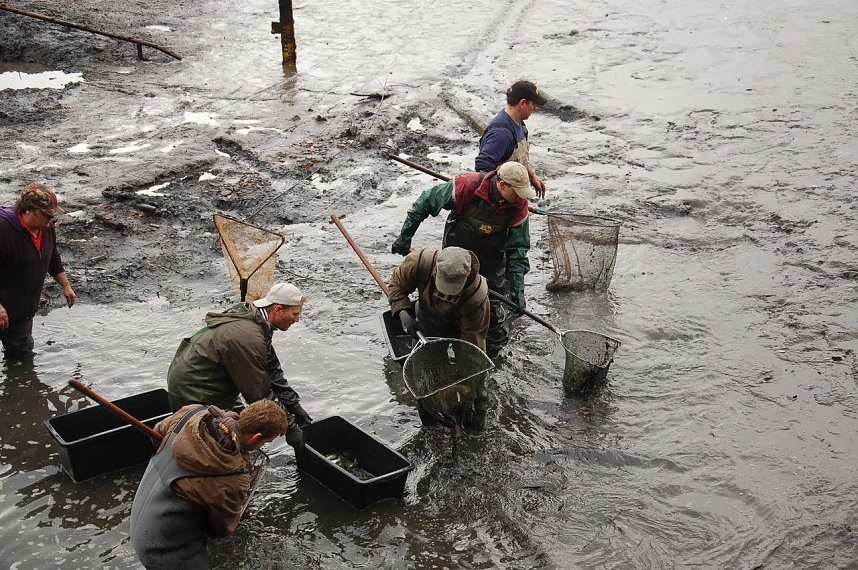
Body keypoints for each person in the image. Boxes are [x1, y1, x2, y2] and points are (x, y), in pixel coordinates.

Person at [390, 161, 534, 356]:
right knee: (446, 304)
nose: (520, 197)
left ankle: (487, 359)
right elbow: (425, 201)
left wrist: (518, 288)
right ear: (502, 185)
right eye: (517, 192)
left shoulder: (518, 205)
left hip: (491, 262)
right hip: (454, 259)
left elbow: (518, 249)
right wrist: (405, 236)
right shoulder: (467, 185)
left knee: (491, 319)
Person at [130, 399, 289, 570]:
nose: (263, 445)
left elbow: (157, 436)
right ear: (256, 437)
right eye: (266, 442)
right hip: (164, 547)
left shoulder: (192, 413)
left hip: (140, 512)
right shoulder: (235, 477)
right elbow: (221, 529)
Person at [166, 282, 312, 449]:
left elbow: (273, 372)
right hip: (194, 389)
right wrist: (289, 427)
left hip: (207, 377)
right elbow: (259, 394)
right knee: (219, 444)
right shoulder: (248, 337)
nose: (297, 319)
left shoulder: (257, 320)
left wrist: (294, 406)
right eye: (295, 314)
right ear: (278, 309)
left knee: (240, 424)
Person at [388, 246, 491, 429]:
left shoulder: (477, 299)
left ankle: (477, 411)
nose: (446, 295)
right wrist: (404, 315)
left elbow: (472, 349)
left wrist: (466, 386)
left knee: (475, 372)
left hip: (460, 330)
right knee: (424, 377)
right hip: (425, 322)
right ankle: (431, 423)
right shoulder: (418, 263)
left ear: (467, 274)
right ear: (436, 269)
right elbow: (396, 286)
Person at [0, 182, 76, 358]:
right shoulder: (3, 229)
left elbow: (52, 256)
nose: (50, 221)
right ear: (28, 210)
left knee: (21, 358)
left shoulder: (46, 229)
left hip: (20, 313)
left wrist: (65, 285)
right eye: (46, 215)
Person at [475, 80, 548, 199]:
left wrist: (531, 175)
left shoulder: (520, 125)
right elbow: (482, 165)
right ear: (523, 103)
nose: (535, 108)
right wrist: (501, 193)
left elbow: (520, 157)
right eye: (533, 104)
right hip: (502, 200)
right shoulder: (501, 134)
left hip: (514, 194)